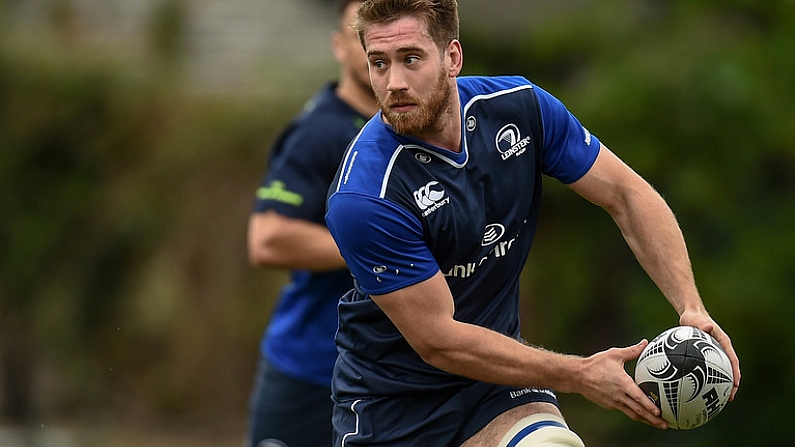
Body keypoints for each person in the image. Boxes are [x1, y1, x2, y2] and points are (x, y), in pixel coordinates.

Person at [324, 1, 742, 446]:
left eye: (411, 58)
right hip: (394, 411)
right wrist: (580, 374)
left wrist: (691, 307)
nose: (395, 83)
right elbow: (439, 341)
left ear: (452, 57)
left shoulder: (520, 109)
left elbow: (627, 195)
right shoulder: (365, 194)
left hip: (498, 388)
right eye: (379, 64)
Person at [244, 1, 377, 446]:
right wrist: (378, 248)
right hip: (309, 371)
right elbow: (268, 239)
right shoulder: (320, 131)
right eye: (360, 34)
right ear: (339, 46)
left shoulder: (415, 134)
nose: (371, 44)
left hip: (385, 375)